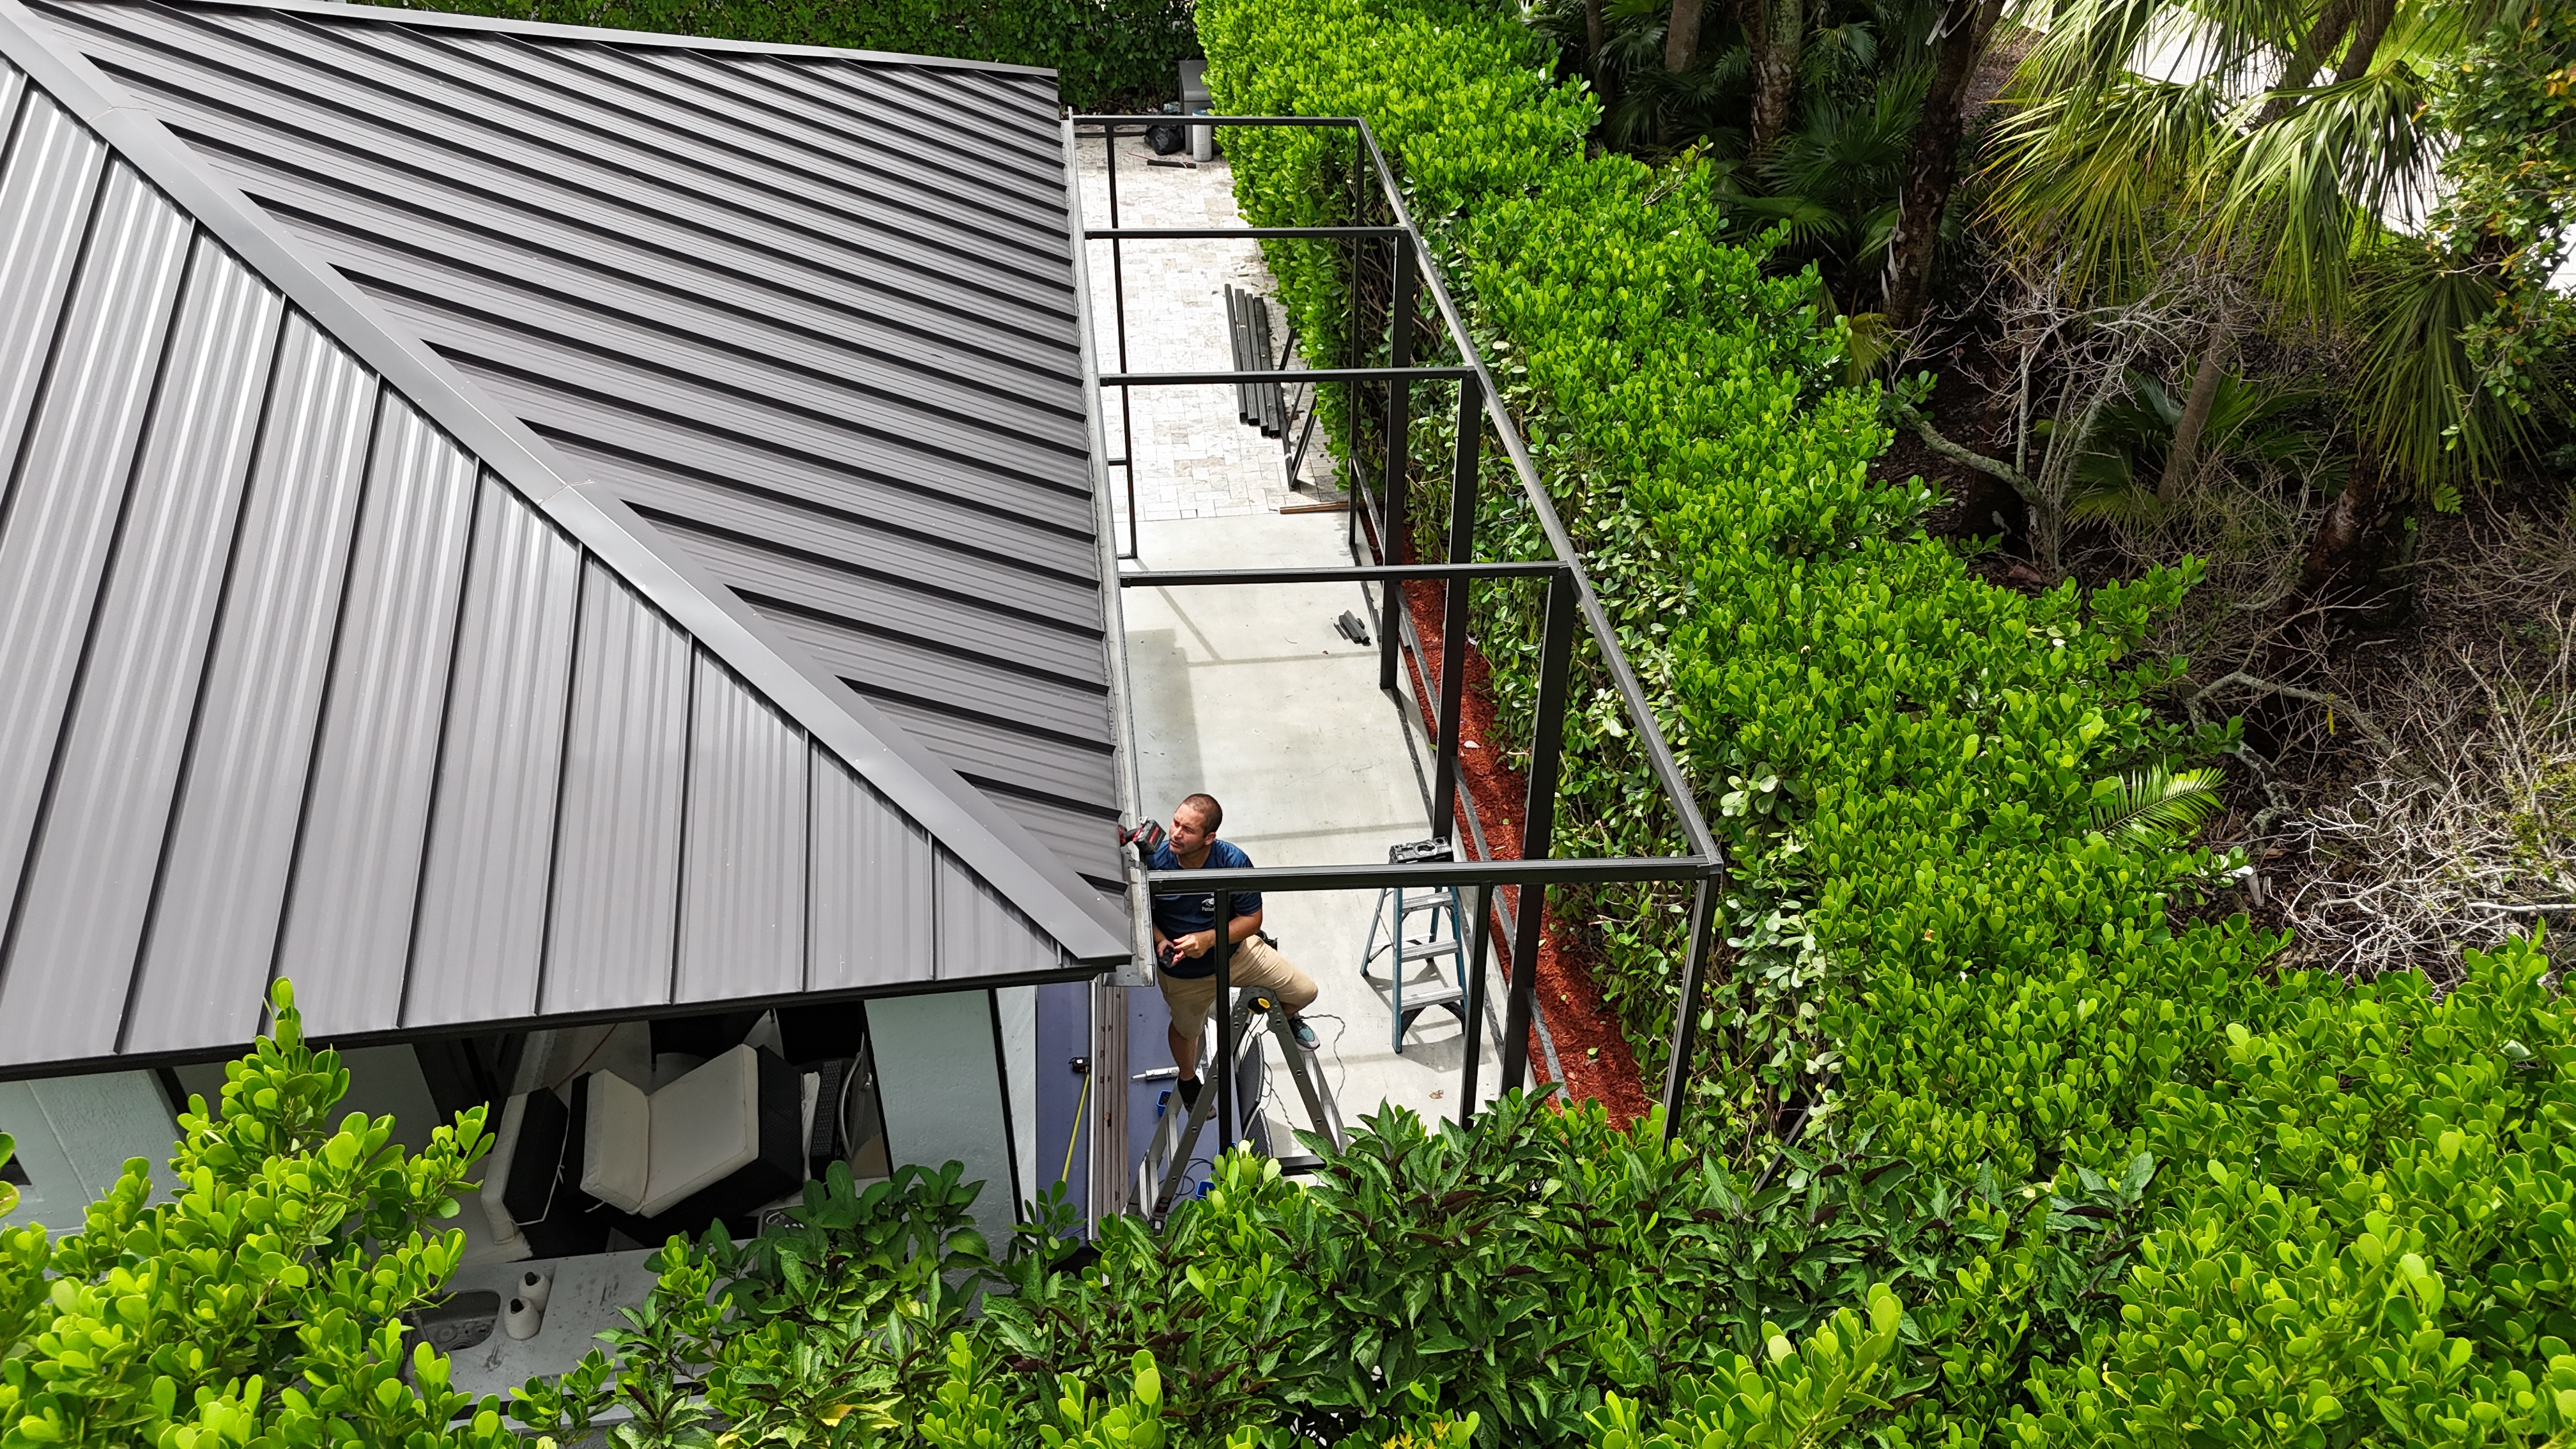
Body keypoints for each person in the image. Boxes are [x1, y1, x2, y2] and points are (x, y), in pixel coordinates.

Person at [1149, 792, 1319, 1107]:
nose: (1176, 833)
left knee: (1305, 992)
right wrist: (1161, 940)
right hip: (1185, 974)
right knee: (1187, 1030)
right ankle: (1187, 1080)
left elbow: (1252, 920)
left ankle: (1283, 1017)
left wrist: (1208, 939)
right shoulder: (1154, 859)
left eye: (1188, 830)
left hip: (1238, 955)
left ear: (1209, 838)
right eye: (1175, 823)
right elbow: (1141, 910)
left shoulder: (1233, 862)